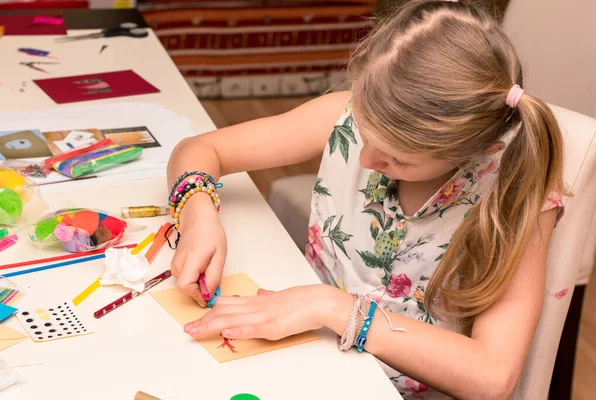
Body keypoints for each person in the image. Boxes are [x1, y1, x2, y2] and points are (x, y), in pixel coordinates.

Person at [166, 1, 567, 398]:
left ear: (467, 151)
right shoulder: (345, 114)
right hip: (306, 358)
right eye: (363, 127)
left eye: (398, 159)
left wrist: (335, 309)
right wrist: (199, 216)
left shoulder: (515, 196)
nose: (365, 158)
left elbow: (492, 377)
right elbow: (200, 150)